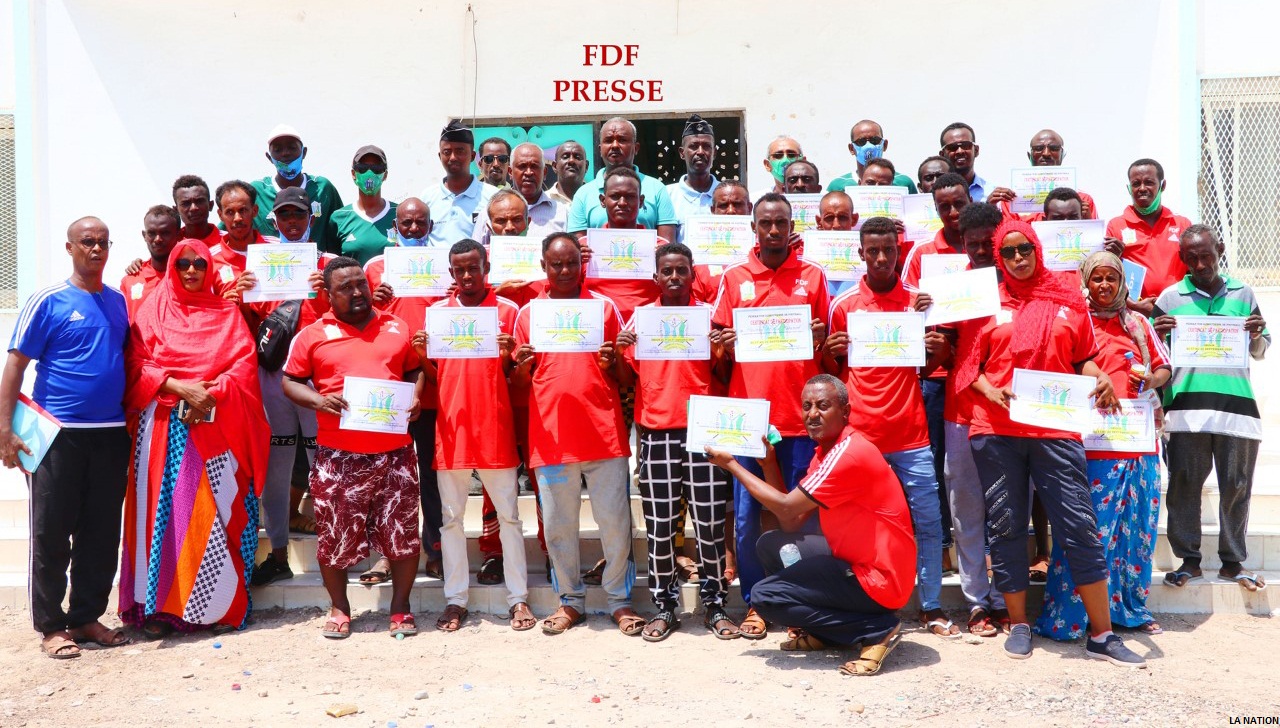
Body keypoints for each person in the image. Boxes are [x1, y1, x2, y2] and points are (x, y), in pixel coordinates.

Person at [960, 218, 1146, 666]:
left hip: (1056, 429)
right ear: (999, 257)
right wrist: (992, 392)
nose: (1018, 258)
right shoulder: (985, 302)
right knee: (1006, 526)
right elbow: (970, 368)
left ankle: (1102, 634)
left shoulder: (1067, 300)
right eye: (1008, 252)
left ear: (1037, 250)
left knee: (1079, 525)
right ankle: (1019, 623)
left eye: (1025, 249)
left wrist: (1100, 377)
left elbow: (1081, 358)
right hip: (998, 430)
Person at [705, 375, 913, 676]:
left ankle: (876, 628)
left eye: (823, 406)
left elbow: (787, 507)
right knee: (772, 545)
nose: (812, 413)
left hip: (880, 579)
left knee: (765, 597)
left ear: (846, 412)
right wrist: (768, 465)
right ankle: (829, 632)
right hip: (855, 564)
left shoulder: (849, 453)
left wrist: (732, 465)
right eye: (806, 406)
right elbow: (792, 522)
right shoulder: (825, 452)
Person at [119, 239, 269, 637]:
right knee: (164, 519)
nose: (190, 271)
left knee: (217, 514)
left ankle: (218, 608)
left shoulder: (226, 313)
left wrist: (212, 392)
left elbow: (243, 365)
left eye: (198, 264)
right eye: (182, 263)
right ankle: (161, 609)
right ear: (171, 266)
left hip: (218, 427)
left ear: (208, 269)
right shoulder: (152, 310)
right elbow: (137, 363)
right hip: (164, 431)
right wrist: (182, 387)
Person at [0, 217, 130, 659]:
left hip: (111, 434)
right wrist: (5, 431)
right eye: (87, 242)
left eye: (103, 243)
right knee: (51, 533)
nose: (96, 249)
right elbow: (15, 366)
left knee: (100, 533)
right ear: (70, 248)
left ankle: (87, 618)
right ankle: (52, 627)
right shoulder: (48, 301)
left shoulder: (119, 303)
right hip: (55, 435)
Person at [822, 217, 954, 638]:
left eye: (889, 250)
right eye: (873, 251)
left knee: (928, 522)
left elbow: (928, 368)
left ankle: (931, 605)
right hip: (860, 438)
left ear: (899, 251)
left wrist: (935, 349)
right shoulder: (843, 305)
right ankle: (867, 604)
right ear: (860, 254)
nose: (881, 258)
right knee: (860, 526)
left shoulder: (918, 302)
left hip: (911, 435)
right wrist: (829, 352)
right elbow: (832, 373)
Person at [282, 257, 425, 639]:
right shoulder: (312, 334)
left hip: (395, 453)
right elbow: (290, 381)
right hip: (338, 455)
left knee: (402, 533)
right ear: (327, 294)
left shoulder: (396, 326)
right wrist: (317, 401)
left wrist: (416, 396)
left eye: (361, 283)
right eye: (346, 287)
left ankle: (400, 608)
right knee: (334, 537)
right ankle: (340, 608)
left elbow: (414, 368)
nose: (358, 292)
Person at [1034, 251, 1171, 640]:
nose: (1105, 285)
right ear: (1086, 282)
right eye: (1098, 278)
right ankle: (1071, 617)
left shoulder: (1139, 323)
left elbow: (1163, 367)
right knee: (1087, 531)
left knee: (1135, 528)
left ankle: (1129, 609)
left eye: (1112, 278)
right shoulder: (1075, 323)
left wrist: (1151, 381)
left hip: (1137, 442)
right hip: (1091, 447)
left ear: (1123, 282)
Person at [711, 192, 830, 639]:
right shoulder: (734, 278)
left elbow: (829, 346)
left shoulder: (813, 277)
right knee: (746, 519)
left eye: (782, 222)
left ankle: (801, 603)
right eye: (766, 223)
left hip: (804, 420)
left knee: (802, 519)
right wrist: (721, 340)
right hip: (750, 420)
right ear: (754, 228)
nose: (775, 230)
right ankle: (758, 603)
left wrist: (820, 336)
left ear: (791, 226)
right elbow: (718, 346)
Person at [510, 232, 641, 636]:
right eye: (556, 264)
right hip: (550, 437)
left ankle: (620, 600)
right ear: (543, 266)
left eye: (571, 263)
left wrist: (611, 361)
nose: (564, 270)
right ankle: (571, 601)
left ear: (582, 265)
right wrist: (521, 365)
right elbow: (517, 386)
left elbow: (624, 378)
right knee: (559, 526)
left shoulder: (604, 308)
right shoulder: (529, 313)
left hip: (603, 434)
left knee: (615, 523)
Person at [614, 241, 737, 641]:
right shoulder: (640, 319)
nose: (673, 278)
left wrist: (722, 349)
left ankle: (715, 605)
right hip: (656, 431)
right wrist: (620, 352)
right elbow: (625, 376)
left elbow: (723, 371)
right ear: (655, 277)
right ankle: (664, 606)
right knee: (661, 525)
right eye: (666, 271)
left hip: (704, 432)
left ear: (692, 275)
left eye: (681, 270)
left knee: (709, 523)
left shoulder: (708, 317)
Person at [419, 239, 533, 631]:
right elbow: (436, 377)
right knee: (451, 520)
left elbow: (517, 377)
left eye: (474, 267)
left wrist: (506, 357)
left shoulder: (508, 311)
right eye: (459, 269)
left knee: (511, 518)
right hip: (451, 430)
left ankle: (518, 599)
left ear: (486, 267)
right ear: (451, 273)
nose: (467, 275)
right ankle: (456, 599)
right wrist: (420, 356)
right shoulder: (437, 314)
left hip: (495, 427)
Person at [1154, 225, 1270, 592]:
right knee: (1184, 485)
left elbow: (1261, 348)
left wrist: (1256, 333)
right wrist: (1158, 333)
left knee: (1236, 485)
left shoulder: (1243, 292)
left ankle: (1232, 562)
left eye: (1206, 255)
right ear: (1183, 259)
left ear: (1219, 249)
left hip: (1236, 409)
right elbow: (1154, 352)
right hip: (1186, 408)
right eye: (1191, 258)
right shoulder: (1170, 297)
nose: (1200, 263)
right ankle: (1188, 560)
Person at [245, 187, 337, 587]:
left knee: (326, 465)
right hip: (273, 378)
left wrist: (328, 289)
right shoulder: (260, 264)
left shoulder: (329, 263)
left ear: (311, 218)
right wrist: (238, 292)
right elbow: (246, 321)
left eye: (298, 215)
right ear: (274, 220)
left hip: (316, 377)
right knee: (277, 467)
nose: (292, 222)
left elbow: (352, 313)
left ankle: (336, 550)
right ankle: (279, 553)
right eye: (284, 216)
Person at [363, 200, 446, 583]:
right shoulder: (375, 268)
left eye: (420, 223)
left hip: (432, 387)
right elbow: (358, 320)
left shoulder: (443, 264)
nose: (413, 228)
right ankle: (383, 555)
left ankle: (434, 550)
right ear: (394, 225)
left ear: (430, 225)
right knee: (386, 476)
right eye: (406, 222)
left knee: (430, 474)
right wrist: (373, 304)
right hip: (387, 387)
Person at [941, 202, 1008, 636]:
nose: (982, 251)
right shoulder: (951, 288)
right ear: (962, 243)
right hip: (962, 412)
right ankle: (976, 601)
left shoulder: (1021, 283)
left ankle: (1006, 597)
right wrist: (925, 314)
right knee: (967, 510)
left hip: (1008, 413)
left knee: (1006, 510)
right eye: (974, 244)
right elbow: (940, 350)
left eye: (989, 243)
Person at [567, 117, 677, 241]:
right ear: (600, 149)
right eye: (608, 140)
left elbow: (667, 246)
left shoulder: (657, 188)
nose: (614, 145)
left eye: (622, 140)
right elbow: (578, 249)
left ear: (636, 148)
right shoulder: (583, 194)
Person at [1105, 158, 1192, 314]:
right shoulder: (1116, 226)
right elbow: (1109, 276)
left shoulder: (1182, 224)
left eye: (1149, 182)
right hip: (1136, 314)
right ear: (1129, 188)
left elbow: (1193, 271)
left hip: (1177, 311)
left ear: (1162, 185)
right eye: (1136, 184)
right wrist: (1133, 305)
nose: (1142, 188)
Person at [249, 124, 344, 253]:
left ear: (304, 152)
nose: (285, 153)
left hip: (317, 268)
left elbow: (340, 231)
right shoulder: (257, 191)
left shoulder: (322, 188)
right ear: (269, 157)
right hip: (271, 268)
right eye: (277, 149)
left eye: (292, 148)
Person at [986, 130, 1097, 221]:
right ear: (1029, 155)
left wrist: (1088, 221)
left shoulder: (1083, 201)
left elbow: (1093, 242)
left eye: (1054, 148)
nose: (1046, 153)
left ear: (1063, 154)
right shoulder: (1011, 201)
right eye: (1038, 148)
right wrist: (989, 209)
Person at [420, 120, 499, 247]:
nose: (453, 157)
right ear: (440, 156)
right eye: (447, 152)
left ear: (473, 156)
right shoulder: (427, 198)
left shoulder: (493, 197)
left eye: (460, 151)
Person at [472, 144, 564, 247]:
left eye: (534, 166)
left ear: (545, 172)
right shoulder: (489, 213)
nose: (528, 173)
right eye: (522, 166)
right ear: (510, 172)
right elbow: (477, 256)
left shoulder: (562, 213)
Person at [901, 172, 972, 291]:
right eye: (945, 207)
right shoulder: (921, 252)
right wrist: (918, 302)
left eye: (959, 204)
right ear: (936, 209)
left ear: (971, 201)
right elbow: (908, 295)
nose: (953, 212)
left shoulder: (987, 245)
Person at [327, 145, 397, 265]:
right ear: (354, 174)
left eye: (377, 168)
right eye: (363, 168)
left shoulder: (399, 214)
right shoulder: (339, 218)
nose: (369, 173)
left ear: (385, 175)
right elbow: (334, 267)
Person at [690, 180, 752, 304]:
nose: (730, 210)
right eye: (723, 205)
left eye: (737, 204)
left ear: (749, 208)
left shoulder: (764, 250)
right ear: (713, 210)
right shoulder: (698, 256)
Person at [666, 114, 721, 243]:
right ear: (682, 153)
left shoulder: (727, 194)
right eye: (693, 146)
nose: (700, 152)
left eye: (706, 146)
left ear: (714, 153)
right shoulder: (667, 195)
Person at [122, 205, 182, 319]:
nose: (158, 239)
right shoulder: (130, 280)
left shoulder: (190, 277)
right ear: (144, 236)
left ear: (178, 235)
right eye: (151, 233)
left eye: (165, 233)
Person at [828, 119, 918, 193]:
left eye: (874, 140)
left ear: (885, 145)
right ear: (851, 149)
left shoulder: (905, 183)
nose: (868, 146)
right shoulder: (837, 186)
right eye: (861, 142)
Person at [938, 122, 988, 203]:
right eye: (953, 147)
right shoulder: (933, 196)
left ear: (976, 150)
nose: (960, 151)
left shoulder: (992, 194)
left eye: (966, 146)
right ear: (942, 155)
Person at [172, 175, 223, 249]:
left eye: (199, 201)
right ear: (176, 210)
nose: (193, 208)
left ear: (211, 205)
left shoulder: (229, 241)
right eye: (186, 203)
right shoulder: (170, 245)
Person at [546, 141, 588, 206]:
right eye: (565, 157)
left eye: (577, 157)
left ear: (586, 166)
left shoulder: (597, 199)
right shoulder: (544, 201)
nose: (571, 161)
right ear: (555, 166)